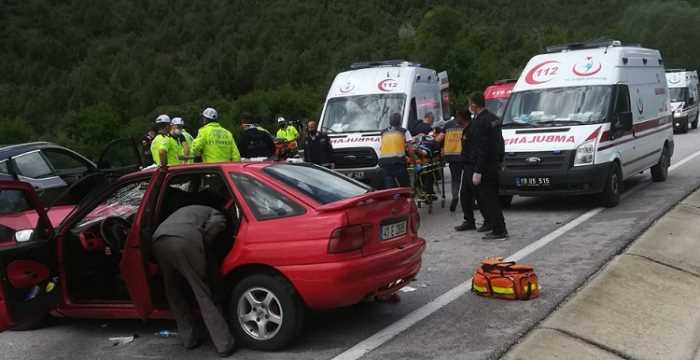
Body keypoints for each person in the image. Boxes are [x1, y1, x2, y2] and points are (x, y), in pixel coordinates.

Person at [151, 205, 235, 357]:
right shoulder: (216, 212)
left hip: (158, 242)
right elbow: (215, 227)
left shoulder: (186, 210)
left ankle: (188, 339)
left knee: (173, 293)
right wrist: (204, 246)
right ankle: (224, 344)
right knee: (203, 293)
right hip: (184, 242)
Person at [461, 92, 508, 239]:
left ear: (474, 104)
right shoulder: (493, 118)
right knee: (493, 198)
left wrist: (478, 170)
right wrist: (499, 160)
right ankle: (499, 227)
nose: (469, 107)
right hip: (494, 164)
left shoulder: (479, 122)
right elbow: (500, 143)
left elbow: (482, 148)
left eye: (470, 103)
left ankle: (498, 230)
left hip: (485, 166)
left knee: (489, 199)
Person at [438, 110, 468, 212]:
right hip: (464, 155)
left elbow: (439, 139)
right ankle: (470, 201)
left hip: (452, 157)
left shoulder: (447, 125)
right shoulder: (466, 124)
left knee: (455, 179)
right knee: (467, 179)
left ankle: (455, 196)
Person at [379, 113, 413, 188]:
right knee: (405, 187)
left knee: (390, 189)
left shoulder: (383, 132)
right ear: (400, 121)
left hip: (384, 164)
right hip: (398, 163)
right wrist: (413, 161)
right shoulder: (404, 131)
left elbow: (383, 147)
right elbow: (411, 150)